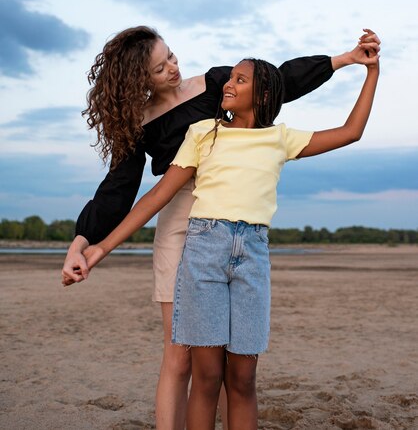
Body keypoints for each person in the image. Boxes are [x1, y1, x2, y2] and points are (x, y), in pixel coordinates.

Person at [61, 26, 380, 430]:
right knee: (181, 353)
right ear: (140, 79)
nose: (173, 69)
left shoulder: (215, 84)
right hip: (180, 215)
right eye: (160, 69)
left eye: (171, 56)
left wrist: (345, 60)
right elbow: (122, 189)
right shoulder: (143, 121)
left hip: (240, 217)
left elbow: (276, 81)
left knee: (233, 360)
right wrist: (86, 242)